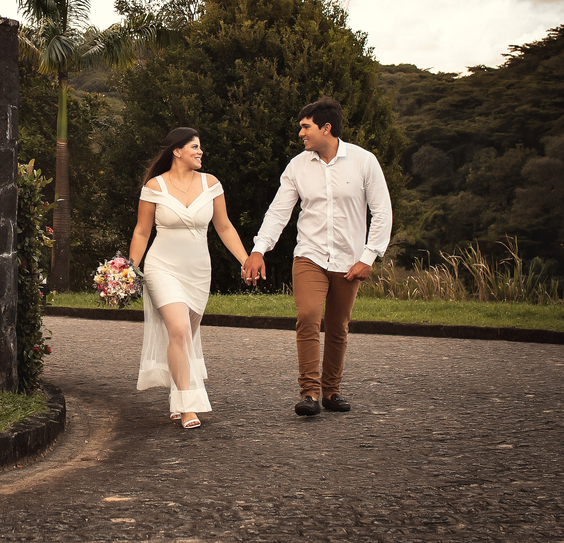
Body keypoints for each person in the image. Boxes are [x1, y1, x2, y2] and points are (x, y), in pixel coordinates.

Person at [242, 97, 392, 416]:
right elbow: (279, 212)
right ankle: (309, 392)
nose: (301, 134)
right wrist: (258, 249)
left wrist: (369, 256)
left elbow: (382, 212)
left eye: (305, 127)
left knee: (338, 326)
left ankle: (331, 391)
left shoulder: (364, 162)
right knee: (309, 316)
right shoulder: (298, 166)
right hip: (309, 256)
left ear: (326, 128)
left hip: (349, 260)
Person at [128, 127, 249, 429]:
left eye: (200, 148)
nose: (200, 152)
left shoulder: (211, 184)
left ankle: (176, 391)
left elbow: (224, 227)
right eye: (194, 147)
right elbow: (142, 231)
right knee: (180, 330)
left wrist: (246, 260)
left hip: (198, 271)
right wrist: (129, 267)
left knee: (186, 336)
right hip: (162, 267)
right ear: (177, 151)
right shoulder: (154, 186)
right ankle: (186, 405)